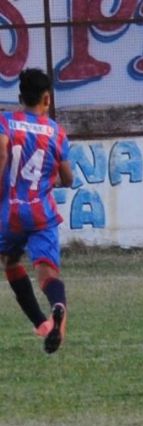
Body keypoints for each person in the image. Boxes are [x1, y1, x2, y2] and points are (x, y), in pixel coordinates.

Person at [0, 68, 74, 354]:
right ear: (47, 98)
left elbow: (4, 152)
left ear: (20, 97)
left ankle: (42, 324)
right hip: (41, 213)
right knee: (46, 275)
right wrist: (48, 179)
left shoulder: (7, 121)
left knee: (11, 263)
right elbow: (67, 179)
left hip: (11, 212)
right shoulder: (56, 132)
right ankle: (57, 310)